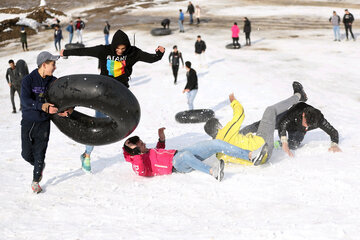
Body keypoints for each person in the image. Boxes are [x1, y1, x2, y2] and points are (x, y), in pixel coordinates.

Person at [60, 29, 165, 172]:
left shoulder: (132, 53)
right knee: (95, 127)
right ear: (113, 45)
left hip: (122, 95)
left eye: (123, 48)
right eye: (118, 48)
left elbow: (152, 58)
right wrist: (66, 53)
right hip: (103, 95)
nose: (120, 51)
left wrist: (159, 53)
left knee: (125, 123)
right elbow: (85, 51)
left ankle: (133, 153)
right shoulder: (104, 51)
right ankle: (86, 155)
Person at [204, 82, 308, 165]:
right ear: (217, 126)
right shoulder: (226, 131)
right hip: (262, 146)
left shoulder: (218, 152)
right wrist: (233, 101)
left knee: (259, 124)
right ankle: (299, 95)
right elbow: (240, 114)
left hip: (258, 158)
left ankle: (293, 127)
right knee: (270, 111)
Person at [123, 128, 268, 181]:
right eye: (141, 145)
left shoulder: (146, 152)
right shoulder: (137, 162)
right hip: (176, 165)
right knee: (185, 155)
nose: (145, 145)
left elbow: (158, 151)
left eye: (142, 142)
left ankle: (250, 156)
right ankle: (213, 172)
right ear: (135, 151)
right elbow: (142, 172)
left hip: (180, 154)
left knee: (215, 144)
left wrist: (161, 139)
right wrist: (137, 155)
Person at [20, 51, 72, 193]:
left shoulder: (53, 81)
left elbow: (61, 99)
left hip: (44, 123)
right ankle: (39, 164)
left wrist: (65, 109)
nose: (55, 67)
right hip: (29, 122)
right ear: (44, 65)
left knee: (40, 153)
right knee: (25, 154)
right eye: (53, 64)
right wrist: (41, 106)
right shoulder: (28, 80)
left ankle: (36, 180)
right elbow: (25, 101)